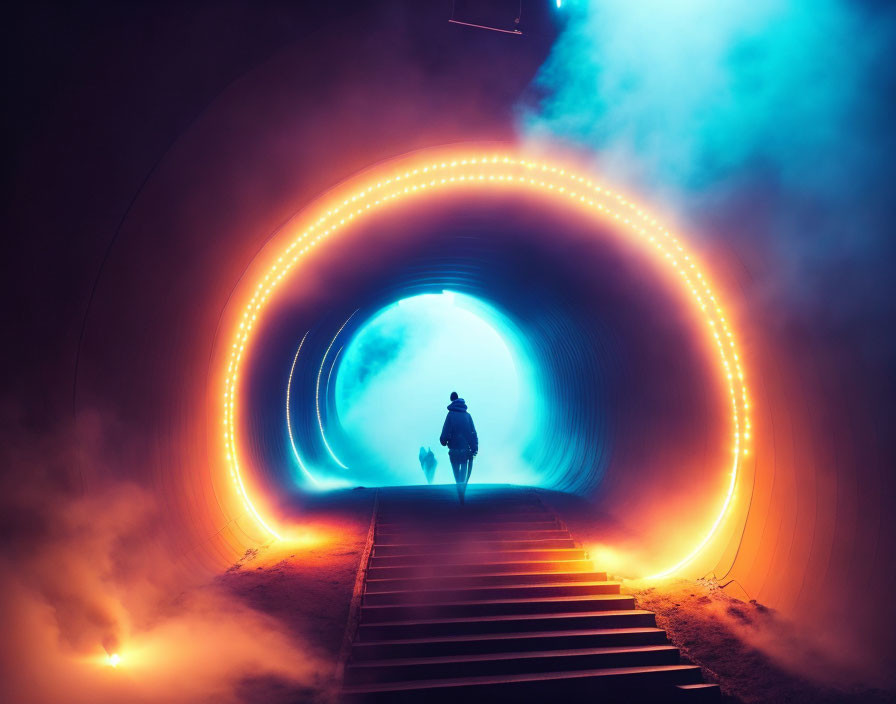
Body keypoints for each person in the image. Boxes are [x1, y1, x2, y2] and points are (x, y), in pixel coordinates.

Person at [439, 391, 478, 503]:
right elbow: (473, 433)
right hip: (465, 449)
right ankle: (462, 491)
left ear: (451, 400)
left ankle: (459, 490)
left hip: (454, 449)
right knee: (464, 469)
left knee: (456, 471)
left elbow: (445, 430)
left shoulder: (450, 415)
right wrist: (474, 447)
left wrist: (443, 441)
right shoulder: (468, 416)